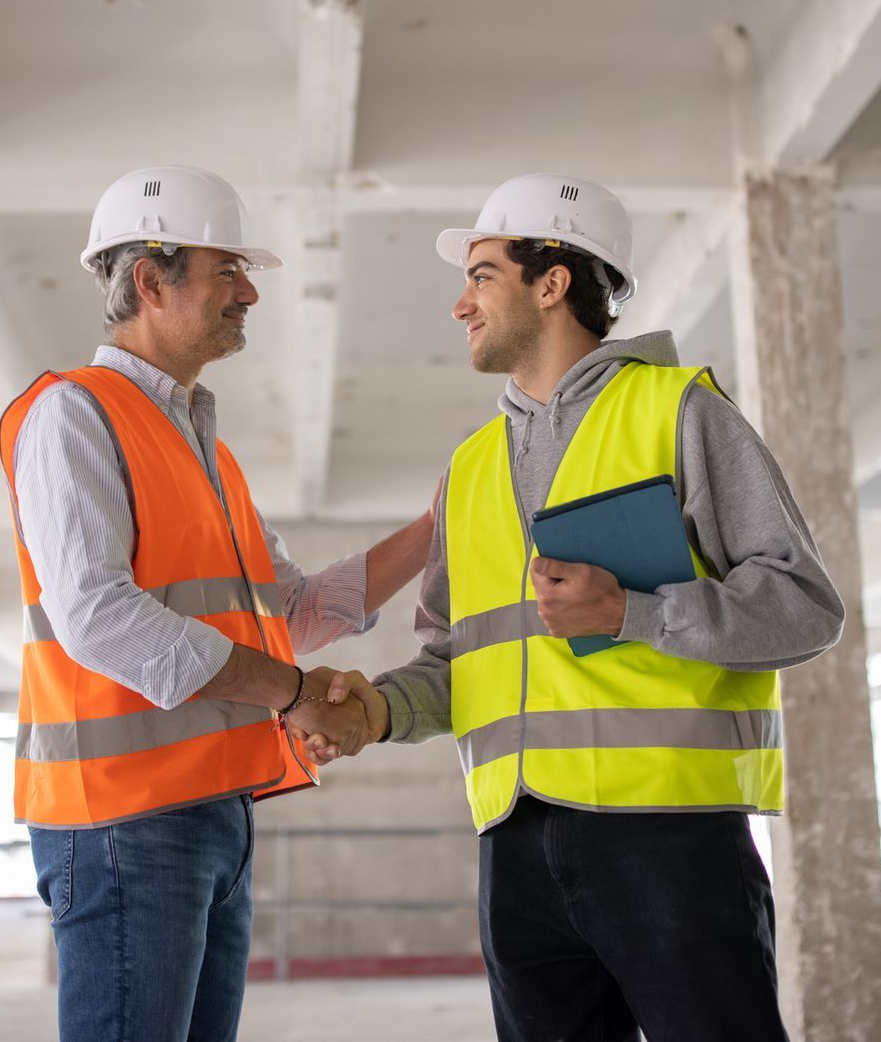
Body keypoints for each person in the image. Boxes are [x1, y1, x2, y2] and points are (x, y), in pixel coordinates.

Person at [319, 173, 845, 1042]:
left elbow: (805, 605)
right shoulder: (469, 468)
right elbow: (458, 659)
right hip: (514, 843)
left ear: (552, 282)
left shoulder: (681, 411)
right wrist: (378, 709)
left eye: (482, 275)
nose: (460, 304)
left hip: (670, 837)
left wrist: (634, 612)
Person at [0, 165, 429, 1042]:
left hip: (213, 811)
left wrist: (438, 528)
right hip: (123, 819)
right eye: (227, 269)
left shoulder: (205, 452)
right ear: (151, 281)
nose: (249, 292)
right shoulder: (74, 413)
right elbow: (98, 616)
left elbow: (292, 611)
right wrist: (294, 693)